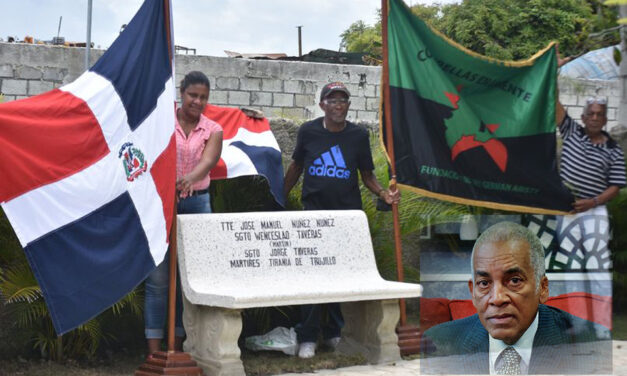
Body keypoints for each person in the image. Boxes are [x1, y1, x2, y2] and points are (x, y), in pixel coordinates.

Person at [283, 81, 400, 358]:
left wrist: (384, 193)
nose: (338, 105)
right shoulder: (308, 132)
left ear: (348, 105)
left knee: (339, 276)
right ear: (322, 105)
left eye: (343, 101)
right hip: (313, 215)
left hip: (346, 217)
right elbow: (296, 166)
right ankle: (308, 336)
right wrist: (279, 196)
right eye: (332, 100)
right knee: (311, 277)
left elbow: (367, 175)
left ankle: (334, 333)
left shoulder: (357, 136)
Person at [420, 221, 611, 374]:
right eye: (484, 283)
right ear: (473, 291)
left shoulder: (593, 347)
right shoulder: (437, 345)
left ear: (542, 288)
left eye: (514, 281)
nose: (497, 298)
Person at [144, 71, 223, 354]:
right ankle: (154, 351)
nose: (197, 101)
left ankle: (178, 347)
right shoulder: (161, 122)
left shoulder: (213, 129)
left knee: (189, 280)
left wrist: (189, 178)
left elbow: (209, 160)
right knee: (158, 280)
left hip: (198, 203)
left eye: (203, 97)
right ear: (181, 92)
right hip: (162, 204)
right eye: (193, 95)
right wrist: (170, 186)